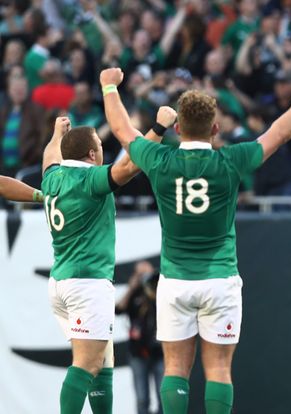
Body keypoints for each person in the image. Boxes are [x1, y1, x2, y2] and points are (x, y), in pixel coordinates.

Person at [99, 67, 291, 414]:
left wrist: (109, 87)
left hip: (175, 280)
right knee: (218, 369)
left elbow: (121, 130)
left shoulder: (159, 159)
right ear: (215, 129)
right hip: (220, 279)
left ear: (177, 129)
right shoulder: (230, 160)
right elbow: (278, 134)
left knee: (175, 370)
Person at [42, 105, 177, 414]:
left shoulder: (52, 178)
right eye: (100, 147)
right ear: (92, 155)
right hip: (86, 283)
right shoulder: (90, 181)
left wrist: (55, 134)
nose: (102, 152)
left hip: (61, 280)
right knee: (88, 363)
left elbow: (50, 156)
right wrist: (158, 128)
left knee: (103, 361)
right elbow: (130, 166)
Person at [116, 260, 164, 414]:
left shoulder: (159, 291)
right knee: (142, 398)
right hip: (138, 352)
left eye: (148, 273)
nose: (145, 277)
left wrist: (156, 285)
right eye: (141, 274)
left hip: (160, 351)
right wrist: (131, 288)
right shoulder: (133, 294)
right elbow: (118, 309)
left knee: (164, 395)